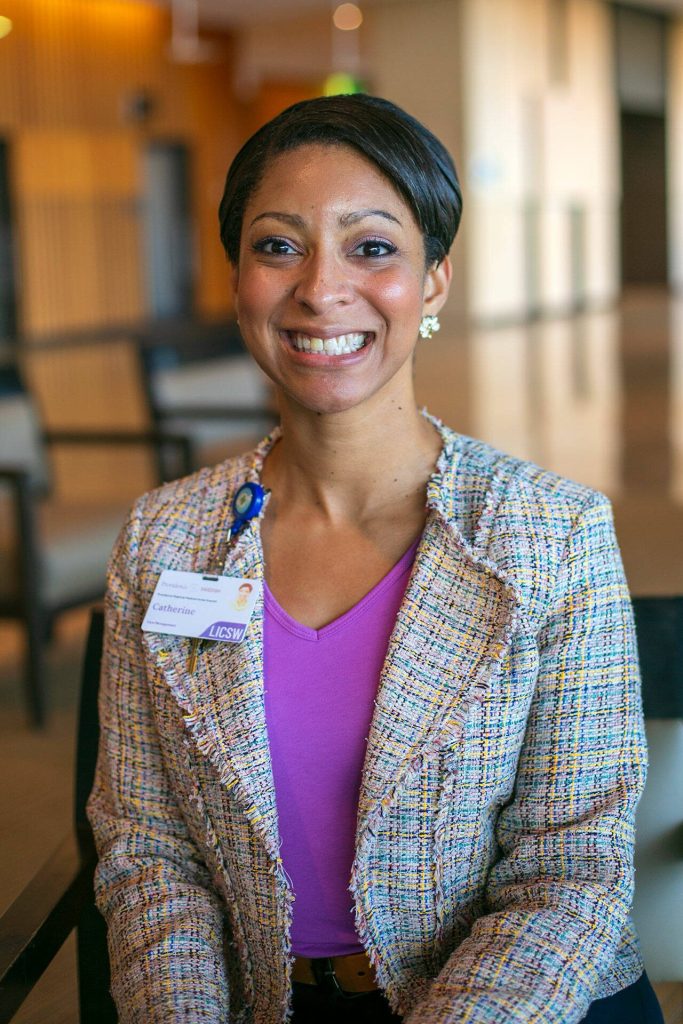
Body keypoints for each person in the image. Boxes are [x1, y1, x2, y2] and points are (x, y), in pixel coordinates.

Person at [88, 94, 663, 1024]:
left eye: (372, 247)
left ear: (433, 280)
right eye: (278, 246)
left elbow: (570, 868)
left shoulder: (549, 535)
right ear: (236, 276)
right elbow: (148, 847)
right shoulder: (164, 540)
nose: (320, 289)